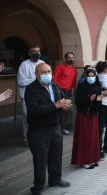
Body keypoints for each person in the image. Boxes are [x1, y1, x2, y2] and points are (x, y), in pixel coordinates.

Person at [25, 63, 71, 194]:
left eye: (49, 71)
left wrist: (65, 105)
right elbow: (34, 110)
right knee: (40, 159)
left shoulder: (55, 85)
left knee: (56, 156)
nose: (47, 74)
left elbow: (61, 100)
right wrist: (56, 106)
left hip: (55, 127)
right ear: (36, 74)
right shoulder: (31, 89)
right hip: (39, 130)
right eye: (43, 72)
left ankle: (55, 179)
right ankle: (38, 187)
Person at [71, 68, 102, 169]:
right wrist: (89, 99)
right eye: (89, 76)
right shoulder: (81, 86)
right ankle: (83, 161)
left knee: (93, 138)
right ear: (85, 76)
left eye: (93, 76)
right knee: (84, 138)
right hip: (83, 115)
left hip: (93, 115)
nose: (91, 78)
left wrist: (98, 100)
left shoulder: (97, 86)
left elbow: (99, 104)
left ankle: (92, 159)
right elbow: (78, 102)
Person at [17, 45, 45, 145]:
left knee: (40, 115)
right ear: (29, 53)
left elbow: (46, 78)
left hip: (41, 95)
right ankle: (27, 138)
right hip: (26, 95)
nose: (36, 53)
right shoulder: (24, 65)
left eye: (38, 51)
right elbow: (21, 81)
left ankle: (38, 136)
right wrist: (36, 78)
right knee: (27, 117)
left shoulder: (42, 63)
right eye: (34, 51)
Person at [53, 52, 78, 135]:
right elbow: (54, 80)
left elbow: (74, 81)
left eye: (72, 57)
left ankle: (65, 127)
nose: (71, 59)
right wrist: (57, 91)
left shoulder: (74, 69)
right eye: (69, 57)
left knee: (68, 109)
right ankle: (61, 128)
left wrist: (74, 91)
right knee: (61, 109)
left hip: (69, 92)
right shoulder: (60, 67)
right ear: (66, 58)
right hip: (60, 91)